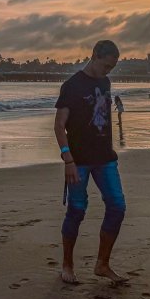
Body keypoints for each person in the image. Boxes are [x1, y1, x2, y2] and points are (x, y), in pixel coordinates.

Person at [54, 40, 127, 284]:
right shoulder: (71, 86)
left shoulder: (105, 82)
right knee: (76, 210)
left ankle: (102, 264)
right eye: (106, 65)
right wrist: (68, 158)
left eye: (112, 68)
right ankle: (67, 264)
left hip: (105, 158)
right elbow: (59, 126)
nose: (108, 71)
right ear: (94, 55)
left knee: (117, 206)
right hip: (79, 161)